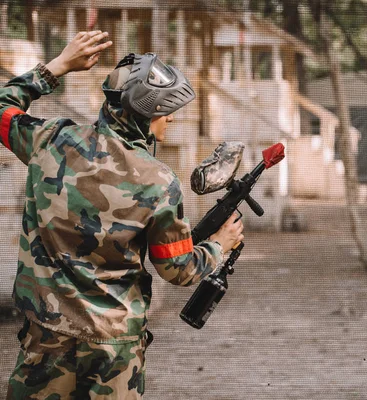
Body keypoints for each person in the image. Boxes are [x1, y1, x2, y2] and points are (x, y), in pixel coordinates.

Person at [2, 31, 244, 399]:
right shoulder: (158, 181)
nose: (170, 122)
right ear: (145, 112)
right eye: (165, 112)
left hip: (44, 335)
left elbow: (3, 108)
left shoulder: (49, 141)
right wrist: (218, 246)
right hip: (112, 350)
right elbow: (177, 269)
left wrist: (58, 66)